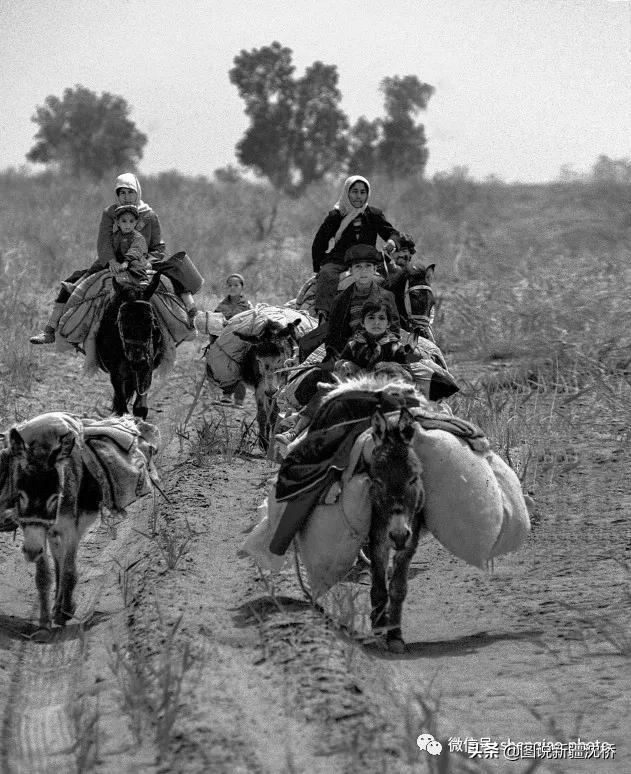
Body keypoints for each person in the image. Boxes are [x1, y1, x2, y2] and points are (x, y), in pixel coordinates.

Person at [30, 172, 168, 344]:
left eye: (130, 192)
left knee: (172, 287)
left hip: (140, 264)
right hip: (109, 263)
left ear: (137, 192)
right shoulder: (110, 213)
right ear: (117, 195)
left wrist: (147, 263)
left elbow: (159, 247)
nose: (126, 197)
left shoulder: (150, 215)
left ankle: (181, 326)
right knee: (71, 284)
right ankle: (50, 330)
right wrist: (111, 262)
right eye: (122, 193)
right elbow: (104, 241)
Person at [311, 175, 401, 321]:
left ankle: (397, 318)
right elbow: (319, 242)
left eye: (362, 192)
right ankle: (323, 316)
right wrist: (318, 267)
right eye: (354, 191)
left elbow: (393, 233)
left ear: (367, 194)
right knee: (327, 274)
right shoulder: (336, 215)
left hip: (369, 260)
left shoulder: (373, 214)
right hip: (340, 260)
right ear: (347, 192)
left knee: (397, 278)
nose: (358, 196)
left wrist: (392, 242)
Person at [323, 244, 400, 364]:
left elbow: (394, 329)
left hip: (383, 352)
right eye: (358, 266)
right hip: (349, 353)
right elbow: (333, 335)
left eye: (368, 266)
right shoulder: (340, 300)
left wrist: (381, 348)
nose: (363, 271)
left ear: (375, 269)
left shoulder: (387, 297)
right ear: (351, 270)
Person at [335, 300, 409, 377]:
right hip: (357, 384)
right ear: (362, 323)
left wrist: (385, 368)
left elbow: (406, 373)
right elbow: (340, 366)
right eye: (371, 317)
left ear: (388, 324)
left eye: (381, 318)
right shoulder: (353, 345)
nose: (376, 322)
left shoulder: (395, 347)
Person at [213, 273, 253, 407]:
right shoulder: (221, 306)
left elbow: (252, 323)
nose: (233, 288)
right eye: (230, 285)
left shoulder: (247, 306)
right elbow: (214, 323)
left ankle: (239, 400)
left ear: (242, 287)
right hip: (224, 344)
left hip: (241, 343)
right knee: (225, 368)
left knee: (240, 369)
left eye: (236, 285)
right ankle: (226, 396)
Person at [108, 204, 150, 283]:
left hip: (134, 259)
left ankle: (143, 280)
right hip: (119, 260)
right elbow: (110, 248)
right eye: (124, 221)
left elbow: (135, 250)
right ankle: (87, 275)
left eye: (131, 221)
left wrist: (126, 262)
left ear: (135, 223)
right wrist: (111, 261)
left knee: (135, 264)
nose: (128, 225)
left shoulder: (137, 237)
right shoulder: (115, 236)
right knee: (100, 263)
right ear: (118, 223)